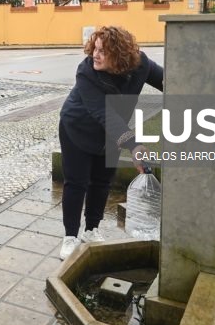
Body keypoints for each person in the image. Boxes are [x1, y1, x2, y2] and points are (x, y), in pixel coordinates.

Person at [58, 26, 163, 260]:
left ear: (121, 55)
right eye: (95, 49)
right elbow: (105, 113)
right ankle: (70, 236)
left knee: (102, 181)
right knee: (77, 182)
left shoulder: (141, 64)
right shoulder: (86, 72)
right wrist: (134, 145)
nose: (95, 55)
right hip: (77, 128)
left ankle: (91, 229)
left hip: (112, 134)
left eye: (103, 52)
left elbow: (168, 81)